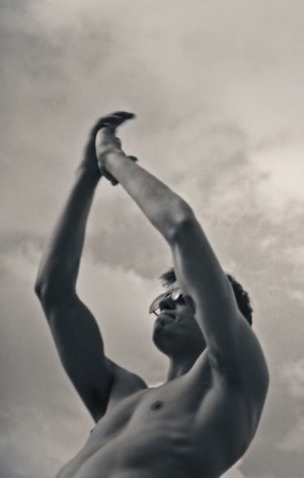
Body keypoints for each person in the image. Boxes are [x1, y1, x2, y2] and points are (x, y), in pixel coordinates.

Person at [34, 112, 268, 478]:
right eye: (164, 301)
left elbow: (182, 227)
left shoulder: (232, 375)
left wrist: (112, 158)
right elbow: (53, 291)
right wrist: (86, 175)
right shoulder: (120, 393)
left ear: (217, 312)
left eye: (182, 299)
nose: (167, 306)